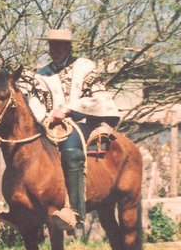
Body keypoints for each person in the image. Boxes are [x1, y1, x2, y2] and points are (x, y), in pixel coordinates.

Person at [28, 28, 120, 229]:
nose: (55, 50)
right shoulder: (41, 74)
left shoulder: (85, 67)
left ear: (69, 47)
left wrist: (69, 109)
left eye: (59, 45)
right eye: (52, 45)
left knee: (69, 149)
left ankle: (75, 213)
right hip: (50, 124)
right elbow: (35, 101)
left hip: (83, 122)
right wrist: (46, 116)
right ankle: (26, 208)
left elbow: (98, 96)